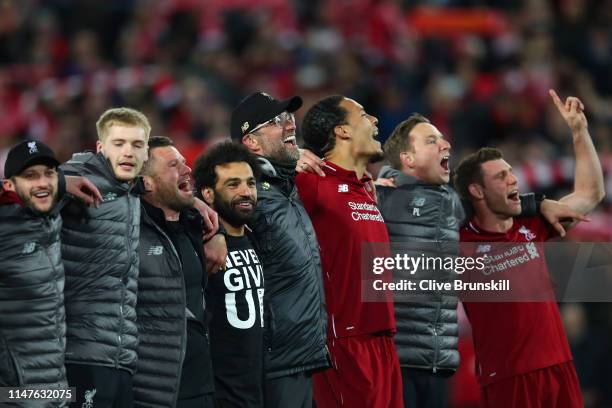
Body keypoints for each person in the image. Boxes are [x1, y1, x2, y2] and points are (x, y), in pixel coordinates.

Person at [377, 112, 585, 408]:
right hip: (395, 356)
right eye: (431, 140)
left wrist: (537, 203)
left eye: (441, 137)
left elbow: (486, 204)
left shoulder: (451, 210)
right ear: (408, 158)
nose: (444, 143)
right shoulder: (377, 197)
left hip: (435, 360)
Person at [453, 90, 604, 407]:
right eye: (501, 176)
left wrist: (579, 132)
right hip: (510, 378)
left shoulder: (531, 226)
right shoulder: (458, 243)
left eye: (511, 173)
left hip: (560, 366)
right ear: (476, 190)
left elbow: (590, 194)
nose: (513, 181)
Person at [298, 95, 403, 408]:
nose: (374, 121)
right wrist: (291, 158)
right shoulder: (312, 181)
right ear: (342, 130)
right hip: (342, 341)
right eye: (364, 115)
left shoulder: (365, 189)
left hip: (382, 338)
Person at [231, 92, 329, 408]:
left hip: (303, 355)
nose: (289, 124)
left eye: (288, 117)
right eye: (276, 121)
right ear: (251, 143)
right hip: (272, 361)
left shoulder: (287, 187)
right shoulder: (248, 190)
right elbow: (206, 195)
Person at [60, 107, 151, 407]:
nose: (128, 152)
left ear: (146, 152)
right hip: (78, 357)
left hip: (121, 358)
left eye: (137, 145)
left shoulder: (133, 193)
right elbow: (13, 191)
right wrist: (58, 184)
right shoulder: (75, 178)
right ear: (100, 147)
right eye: (119, 143)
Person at [0, 140, 102, 407]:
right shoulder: (4, 226)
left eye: (48, 173)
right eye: (30, 176)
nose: (42, 183)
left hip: (55, 386)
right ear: (8, 185)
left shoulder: (52, 216)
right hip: (15, 392)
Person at [132, 136, 215, 407]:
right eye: (172, 164)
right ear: (146, 182)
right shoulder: (129, 232)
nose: (187, 169)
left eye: (183, 161)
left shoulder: (194, 225)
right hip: (154, 389)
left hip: (202, 383)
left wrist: (219, 232)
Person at [194, 141, 265, 408]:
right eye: (233, 185)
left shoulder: (255, 238)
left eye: (250, 183)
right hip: (218, 392)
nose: (246, 192)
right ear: (208, 193)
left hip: (258, 388)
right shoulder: (198, 243)